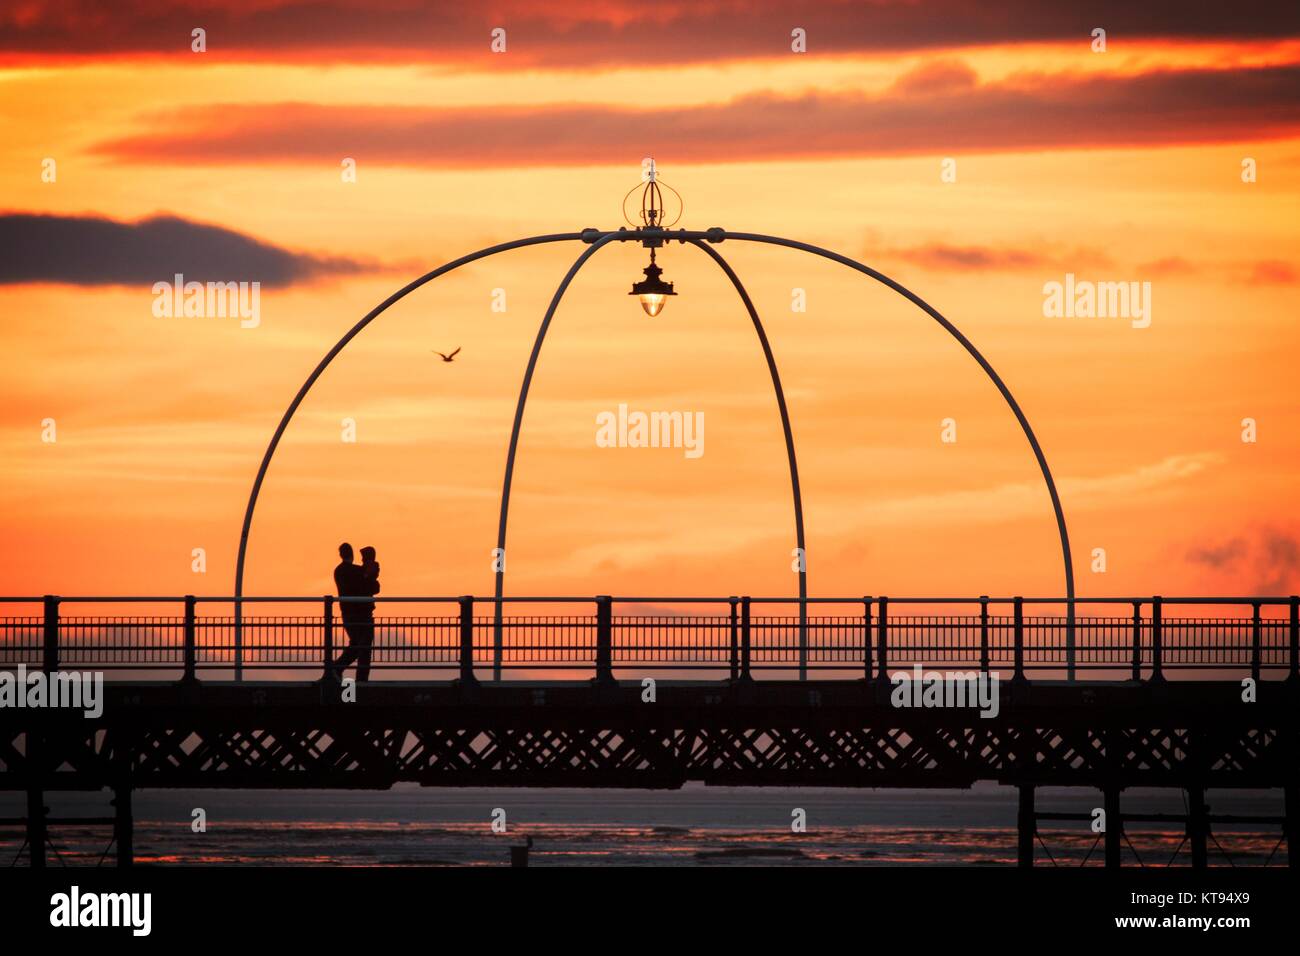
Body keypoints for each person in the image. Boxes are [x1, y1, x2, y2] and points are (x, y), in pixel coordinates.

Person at [332, 542, 379, 681]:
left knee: (356, 645)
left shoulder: (339, 571)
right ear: (352, 555)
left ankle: (336, 668)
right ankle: (360, 679)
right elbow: (375, 588)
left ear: (341, 555)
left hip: (347, 614)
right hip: (363, 614)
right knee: (363, 648)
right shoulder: (358, 571)